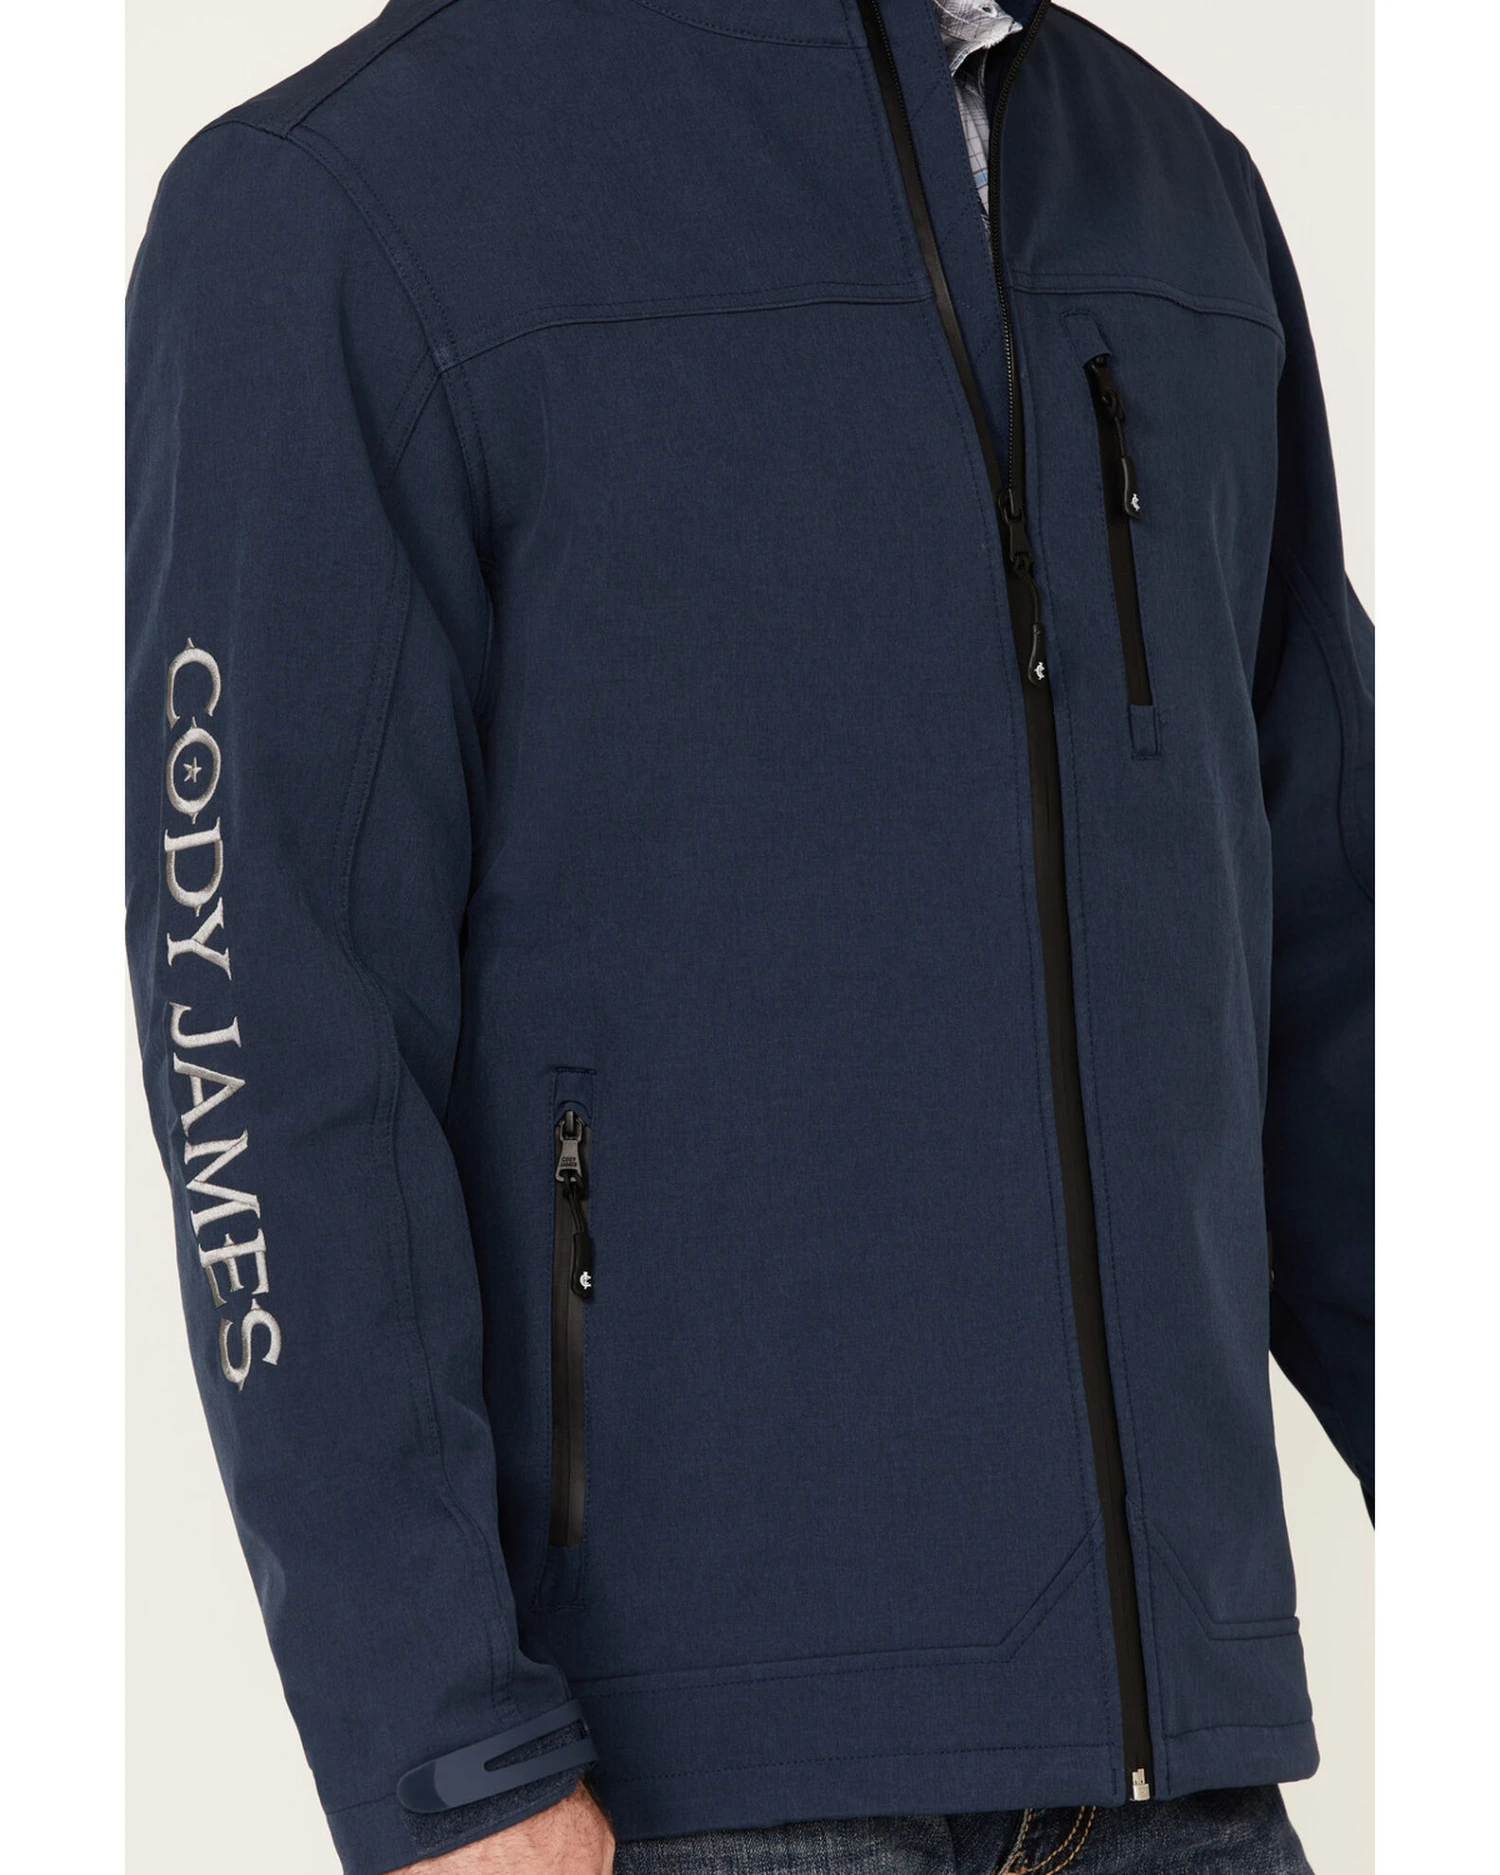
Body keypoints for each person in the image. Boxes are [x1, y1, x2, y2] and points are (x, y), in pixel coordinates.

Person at [124, 1, 1373, 1871]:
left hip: (1182, 1779)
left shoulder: (1179, 199)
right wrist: (443, 1749)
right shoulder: (346, 204)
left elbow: (1342, 971)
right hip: (680, 1791)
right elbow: (263, 1024)